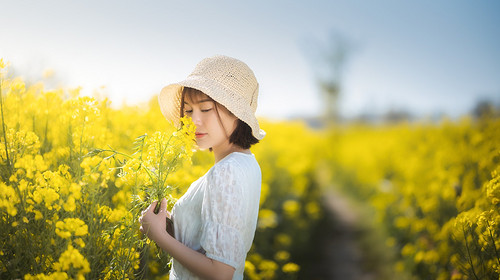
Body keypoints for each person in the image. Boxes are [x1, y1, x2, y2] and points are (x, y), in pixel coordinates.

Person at [139, 55, 265, 280]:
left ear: (236, 112)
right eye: (188, 111)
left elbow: (220, 273)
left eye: (205, 109)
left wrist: (159, 235)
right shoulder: (246, 163)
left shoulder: (227, 172)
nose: (193, 120)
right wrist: (170, 227)